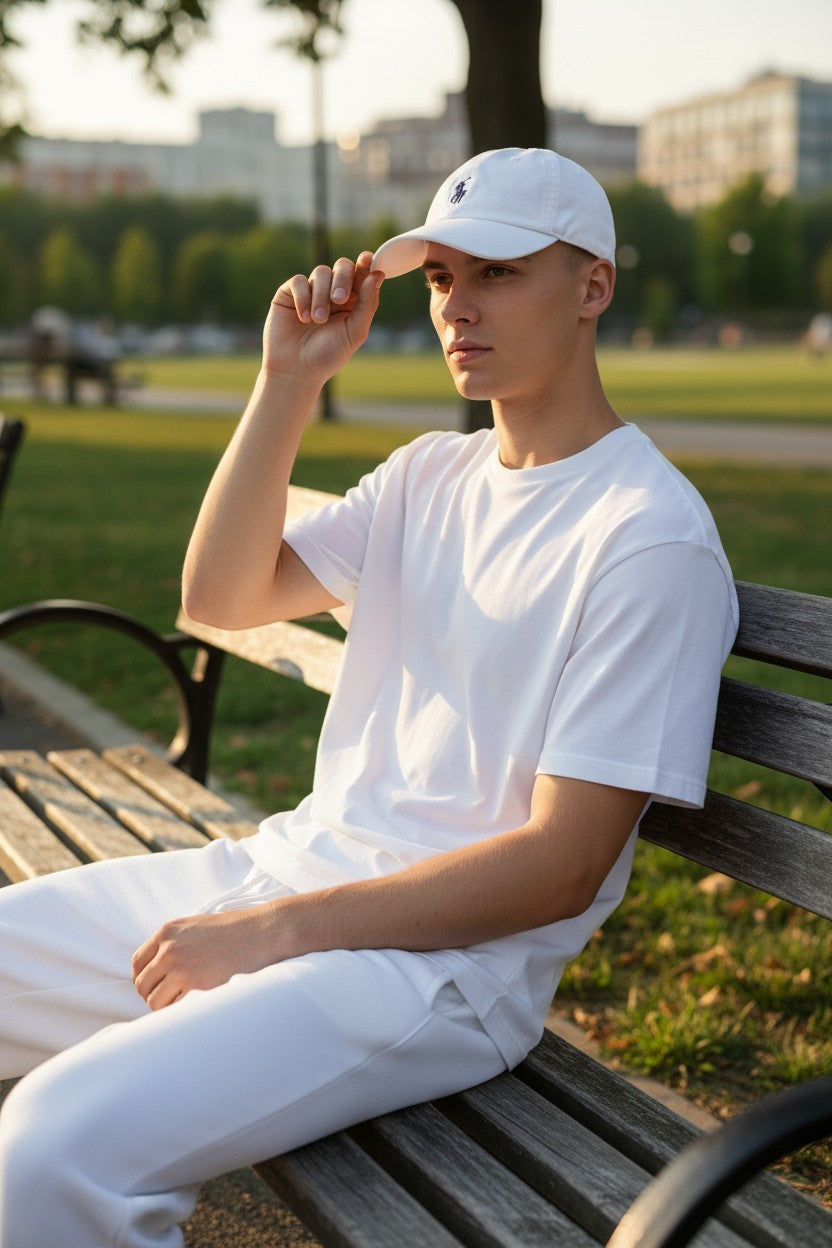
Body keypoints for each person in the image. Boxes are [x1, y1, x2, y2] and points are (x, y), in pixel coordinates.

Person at [0, 148, 738, 1247]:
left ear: (593, 287)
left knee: (53, 1143)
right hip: (287, 872)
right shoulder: (427, 476)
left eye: (497, 273)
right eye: (439, 278)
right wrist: (287, 382)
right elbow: (222, 593)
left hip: (431, 975)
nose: (458, 307)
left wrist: (274, 933)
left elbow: (561, 864)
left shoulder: (645, 539)